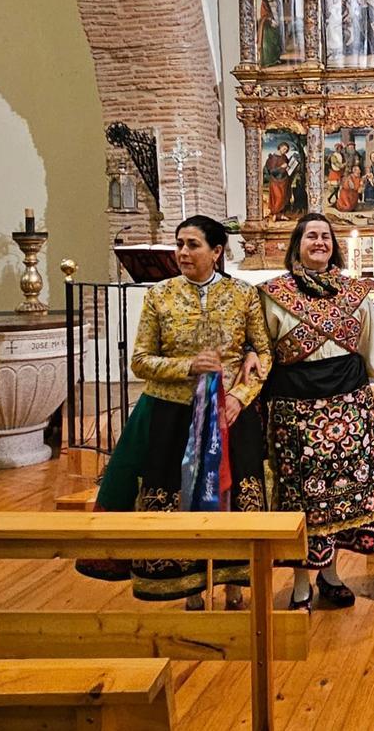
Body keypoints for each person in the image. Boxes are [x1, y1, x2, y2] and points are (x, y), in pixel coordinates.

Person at [76, 216, 271, 608]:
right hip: (172, 413)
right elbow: (141, 361)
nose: (182, 252)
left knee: (231, 497)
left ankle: (235, 583)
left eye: (193, 244)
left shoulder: (243, 295)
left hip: (228, 413)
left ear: (217, 252)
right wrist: (186, 367)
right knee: (179, 497)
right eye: (179, 244)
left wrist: (239, 396)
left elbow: (262, 352)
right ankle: (189, 584)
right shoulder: (160, 296)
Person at [259, 214, 374, 611]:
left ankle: (331, 574)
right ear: (297, 243)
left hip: (350, 405)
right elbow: (262, 351)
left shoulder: (356, 293)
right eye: (311, 236)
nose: (319, 242)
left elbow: (373, 346)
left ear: (334, 245)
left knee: (340, 499)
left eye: (325, 236)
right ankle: (301, 582)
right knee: (301, 501)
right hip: (295, 411)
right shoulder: (272, 293)